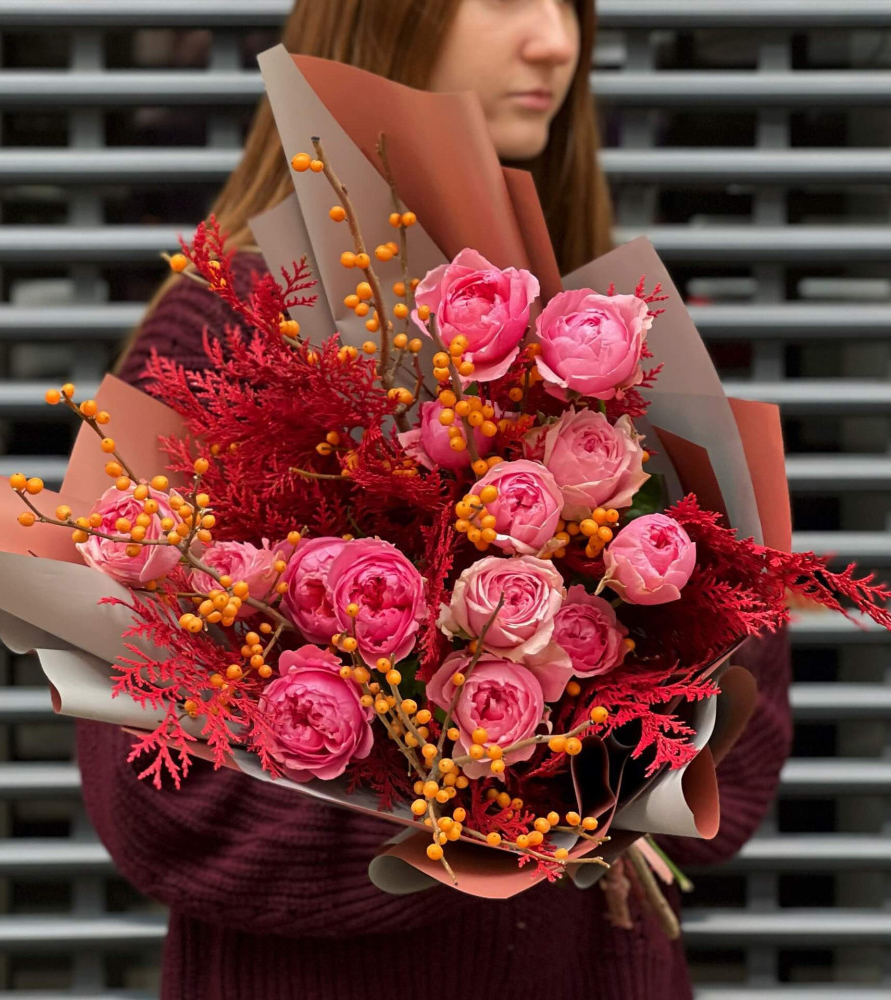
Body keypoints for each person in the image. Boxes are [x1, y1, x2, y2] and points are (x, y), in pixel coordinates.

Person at [78, 2, 792, 998]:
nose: (556, 42)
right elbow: (164, 801)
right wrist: (493, 796)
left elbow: (738, 739)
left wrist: (612, 718)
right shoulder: (230, 341)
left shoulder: (600, 336)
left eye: (570, 4)